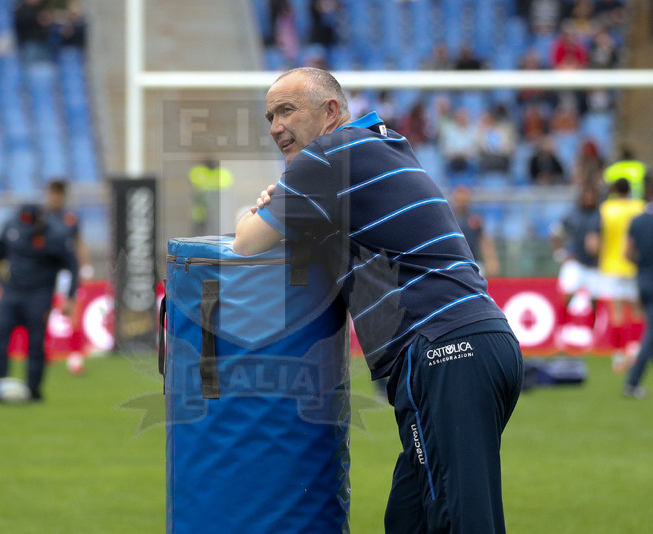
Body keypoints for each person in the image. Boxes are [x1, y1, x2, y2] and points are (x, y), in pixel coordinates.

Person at [234, 67, 522, 533]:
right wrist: (290, 197)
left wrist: (267, 204)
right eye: (269, 116)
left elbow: (246, 242)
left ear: (330, 112)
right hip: (475, 344)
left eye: (286, 110)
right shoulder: (375, 143)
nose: (274, 127)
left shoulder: (328, 155)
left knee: (464, 522)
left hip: (444, 350)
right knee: (408, 519)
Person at [0, 203, 79, 401]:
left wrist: (69, 296)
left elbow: (72, 266)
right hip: (11, 291)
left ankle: (33, 390)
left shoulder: (56, 234)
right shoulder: (12, 227)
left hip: (39, 295)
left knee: (35, 343)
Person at [587, 178, 645, 373]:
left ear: (614, 190)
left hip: (611, 266)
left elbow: (595, 241)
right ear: (630, 190)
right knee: (637, 311)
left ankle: (618, 356)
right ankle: (635, 351)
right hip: (634, 265)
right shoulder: (640, 207)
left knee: (617, 314)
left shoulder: (606, 209)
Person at [45, 179, 93, 366]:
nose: (56, 198)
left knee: (72, 309)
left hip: (67, 270)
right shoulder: (43, 217)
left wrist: (85, 264)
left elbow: (79, 242)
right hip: (47, 269)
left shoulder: (70, 217)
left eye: (59, 194)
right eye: (53, 194)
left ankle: (75, 356)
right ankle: (44, 352)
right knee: (44, 310)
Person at [550, 185, 601, 348]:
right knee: (567, 296)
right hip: (575, 262)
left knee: (594, 301)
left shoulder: (601, 215)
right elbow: (555, 232)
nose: (589, 199)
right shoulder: (572, 214)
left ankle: (592, 334)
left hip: (595, 265)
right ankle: (561, 331)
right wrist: (560, 252)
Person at [623, 177, 653, 398]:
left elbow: (627, 252)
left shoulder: (637, 221)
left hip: (643, 279)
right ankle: (632, 382)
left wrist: (642, 266)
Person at [450, 185, 501, 277]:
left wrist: (491, 261)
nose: (462, 202)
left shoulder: (475, 219)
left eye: (464, 199)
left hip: (474, 263)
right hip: (454, 264)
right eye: (460, 199)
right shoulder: (449, 219)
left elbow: (484, 242)